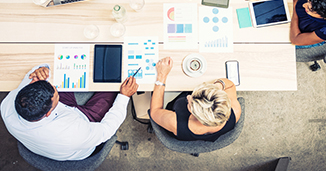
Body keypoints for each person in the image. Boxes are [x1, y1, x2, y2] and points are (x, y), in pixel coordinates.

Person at [0, 64, 138, 160]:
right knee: (113, 86)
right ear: (48, 112)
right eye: (56, 94)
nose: (55, 86)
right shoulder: (72, 133)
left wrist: (41, 70)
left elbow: (35, 74)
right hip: (78, 134)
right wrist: (124, 96)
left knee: (65, 71)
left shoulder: (9, 104)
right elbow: (106, 130)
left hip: (55, 124)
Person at [150, 57, 241, 141]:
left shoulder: (175, 123)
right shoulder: (235, 112)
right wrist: (215, 87)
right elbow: (230, 85)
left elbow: (155, 111)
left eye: (191, 104)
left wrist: (161, 76)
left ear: (196, 116)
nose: (188, 97)